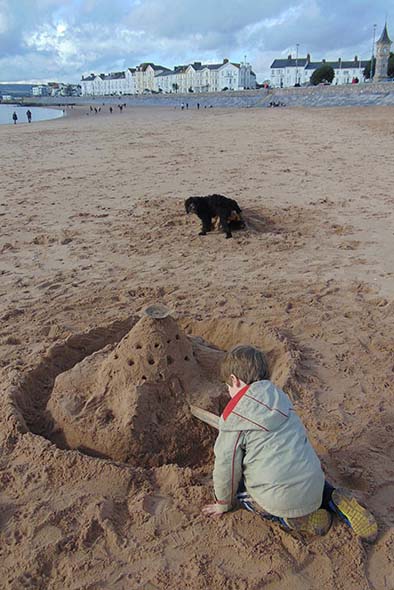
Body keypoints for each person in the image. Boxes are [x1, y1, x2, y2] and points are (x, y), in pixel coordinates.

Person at [202, 345, 378, 542]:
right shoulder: (279, 396)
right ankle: (334, 498)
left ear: (235, 380)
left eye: (228, 385)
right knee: (294, 465)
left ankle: (302, 520)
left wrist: (223, 503)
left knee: (242, 491)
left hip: (282, 498)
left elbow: (227, 466)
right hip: (314, 480)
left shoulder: (233, 416)